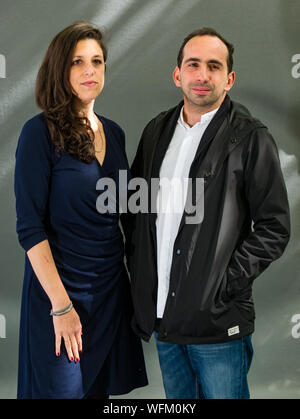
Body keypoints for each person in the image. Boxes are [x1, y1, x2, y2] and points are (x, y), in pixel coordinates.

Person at [126, 28, 290, 399]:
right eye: (193, 64)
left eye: (214, 67)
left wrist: (223, 284)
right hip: (164, 319)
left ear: (229, 79)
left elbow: (274, 226)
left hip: (218, 322)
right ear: (177, 74)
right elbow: (136, 212)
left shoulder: (250, 137)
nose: (203, 75)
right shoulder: (156, 132)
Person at [14, 21, 148, 399]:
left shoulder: (115, 133)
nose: (90, 70)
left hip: (109, 291)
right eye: (77, 62)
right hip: (59, 295)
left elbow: (128, 214)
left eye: (97, 61)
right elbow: (29, 228)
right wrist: (61, 307)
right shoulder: (38, 133)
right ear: (60, 69)